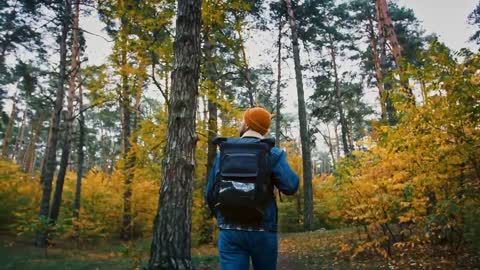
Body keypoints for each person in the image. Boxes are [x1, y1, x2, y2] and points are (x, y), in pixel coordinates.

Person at [205, 106, 299, 270]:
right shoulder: (272, 153)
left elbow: (210, 194)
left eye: (243, 120)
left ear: (247, 125)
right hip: (263, 229)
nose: (241, 123)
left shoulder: (224, 153)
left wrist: (222, 215)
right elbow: (291, 186)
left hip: (230, 229)